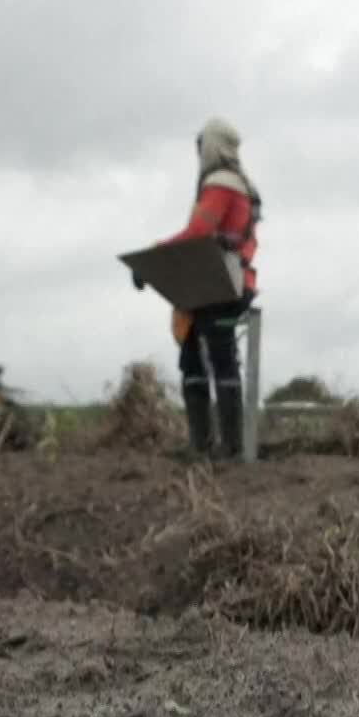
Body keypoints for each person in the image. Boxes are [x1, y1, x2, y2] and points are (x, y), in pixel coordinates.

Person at [138, 116, 261, 460]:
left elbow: (197, 233)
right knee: (193, 357)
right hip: (216, 284)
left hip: (221, 286)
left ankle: (227, 446)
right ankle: (203, 445)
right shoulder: (240, 184)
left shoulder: (222, 184)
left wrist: (155, 252)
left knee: (219, 359)